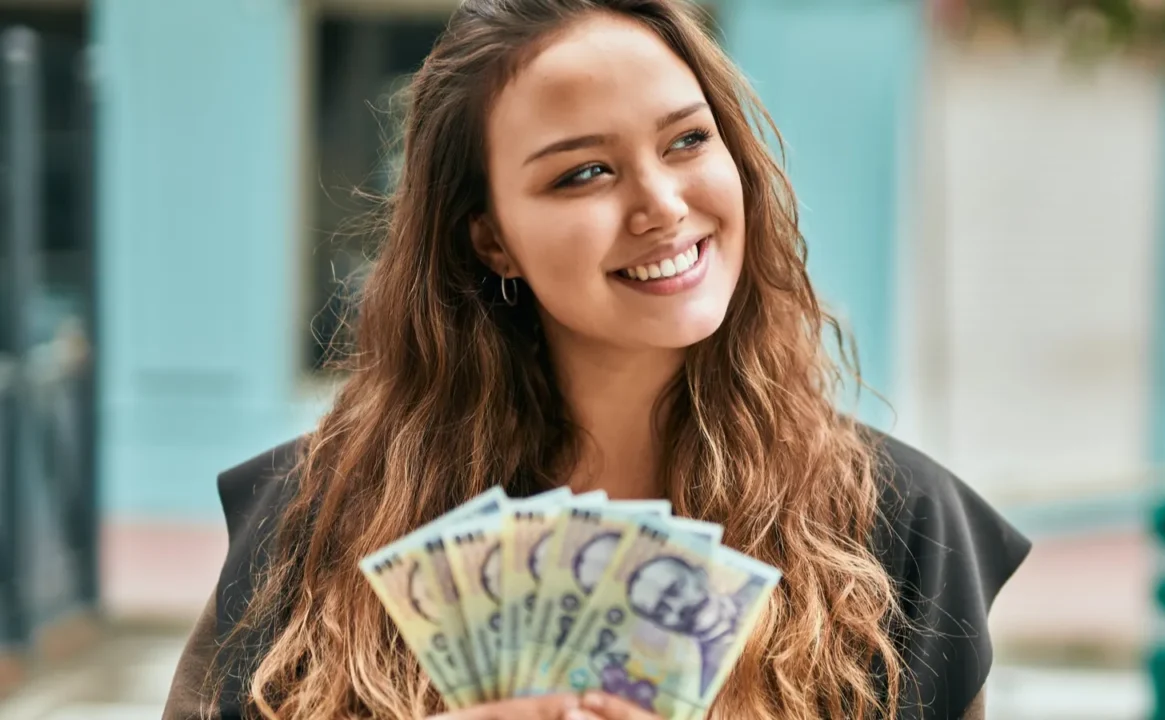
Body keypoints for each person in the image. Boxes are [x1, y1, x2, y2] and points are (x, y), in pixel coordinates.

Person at [162, 0, 1030, 718]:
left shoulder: (901, 530)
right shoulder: (310, 523)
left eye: (688, 140)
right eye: (582, 174)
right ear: (491, 238)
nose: (660, 204)